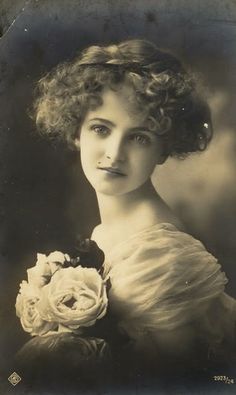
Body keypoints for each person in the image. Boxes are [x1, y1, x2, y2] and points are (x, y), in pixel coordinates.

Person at [33, 39, 236, 372]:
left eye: (139, 137)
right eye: (101, 129)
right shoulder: (108, 231)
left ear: (163, 149)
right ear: (76, 132)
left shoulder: (156, 251)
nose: (114, 152)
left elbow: (186, 379)